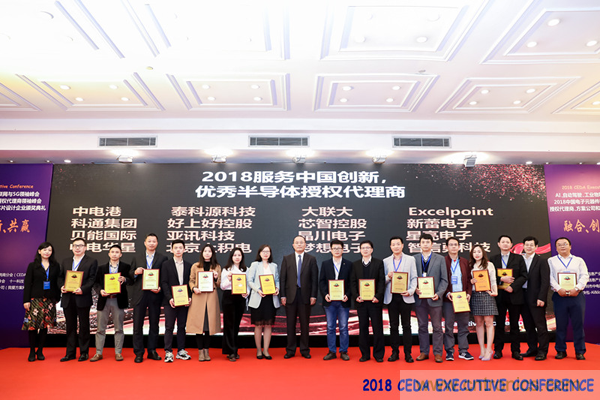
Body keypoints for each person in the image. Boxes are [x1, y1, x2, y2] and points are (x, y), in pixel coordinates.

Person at [129, 233, 168, 363]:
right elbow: (130, 275)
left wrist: (160, 288)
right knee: (137, 325)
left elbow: (164, 276)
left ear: (157, 243)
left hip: (155, 295)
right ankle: (139, 352)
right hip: (139, 295)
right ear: (145, 243)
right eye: (149, 241)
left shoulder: (162, 258)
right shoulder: (137, 257)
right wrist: (135, 272)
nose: (151, 243)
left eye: (154, 241)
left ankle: (152, 350)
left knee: (154, 324)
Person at [58, 238, 98, 362]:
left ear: (85, 248)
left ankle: (84, 352)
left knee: (84, 326)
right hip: (68, 298)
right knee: (70, 326)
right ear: (72, 247)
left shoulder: (92, 261)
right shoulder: (66, 261)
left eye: (80, 245)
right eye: (75, 245)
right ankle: (70, 353)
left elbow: (92, 279)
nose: (77, 248)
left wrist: (83, 289)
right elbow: (60, 277)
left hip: (82, 297)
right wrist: (62, 286)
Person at [549, 237, 589, 360]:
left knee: (578, 324)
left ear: (570, 246)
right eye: (559, 244)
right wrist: (558, 289)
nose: (562, 246)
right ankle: (561, 350)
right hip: (559, 296)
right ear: (556, 248)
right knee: (560, 324)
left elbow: (584, 275)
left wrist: (576, 288)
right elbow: (550, 277)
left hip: (576, 295)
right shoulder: (551, 261)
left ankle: (579, 351)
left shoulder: (578, 260)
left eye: (565, 244)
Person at [91, 245, 131, 362]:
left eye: (117, 252)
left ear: (121, 254)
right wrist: (100, 291)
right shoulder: (101, 268)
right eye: (112, 252)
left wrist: (125, 279)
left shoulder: (126, 267)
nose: (114, 254)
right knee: (100, 329)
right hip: (104, 300)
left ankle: (118, 352)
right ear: (109, 254)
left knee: (119, 328)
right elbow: (95, 283)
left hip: (118, 300)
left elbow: (132, 281)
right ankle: (98, 353)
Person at [280, 235, 318, 359]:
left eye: (302, 242)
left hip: (305, 296)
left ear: (305, 244)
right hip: (290, 296)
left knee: (304, 324)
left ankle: (305, 350)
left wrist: (313, 295)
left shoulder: (311, 259)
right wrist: (283, 295)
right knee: (290, 324)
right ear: (293, 245)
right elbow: (283, 278)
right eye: (297, 242)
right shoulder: (287, 259)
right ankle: (290, 350)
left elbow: (314, 279)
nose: (299, 244)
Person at [490, 235, 527, 360]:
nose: (505, 244)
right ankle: (498, 350)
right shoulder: (493, 259)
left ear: (511, 245)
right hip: (499, 296)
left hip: (514, 295)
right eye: (503, 242)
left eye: (508, 242)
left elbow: (524, 276)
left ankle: (516, 351)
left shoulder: (518, 258)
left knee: (514, 325)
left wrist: (513, 287)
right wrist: (501, 279)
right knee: (499, 324)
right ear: (498, 244)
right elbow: (489, 276)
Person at [22, 242, 61, 362]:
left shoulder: (55, 266)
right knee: (32, 327)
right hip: (35, 299)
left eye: (49, 250)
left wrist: (57, 297)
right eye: (44, 250)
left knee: (45, 326)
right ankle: (31, 351)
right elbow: (28, 283)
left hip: (49, 300)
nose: (47, 252)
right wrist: (26, 300)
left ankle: (40, 351)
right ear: (39, 251)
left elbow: (57, 282)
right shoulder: (32, 265)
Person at [414, 233, 448, 363]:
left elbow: (444, 280)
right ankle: (424, 352)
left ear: (432, 244)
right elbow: (411, 278)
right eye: (423, 242)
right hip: (420, 298)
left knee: (437, 327)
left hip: (435, 298)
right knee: (422, 326)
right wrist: (415, 289)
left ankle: (438, 353)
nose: (425, 244)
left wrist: (438, 293)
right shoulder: (414, 259)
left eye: (428, 242)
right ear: (419, 244)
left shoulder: (440, 259)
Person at [383, 236, 417, 363]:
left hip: (405, 296)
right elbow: (382, 280)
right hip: (391, 297)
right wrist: (388, 276)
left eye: (398, 244)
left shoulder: (410, 259)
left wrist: (411, 291)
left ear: (402, 245)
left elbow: (414, 277)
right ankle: (395, 352)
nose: (396, 246)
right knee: (393, 326)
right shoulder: (385, 261)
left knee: (406, 326)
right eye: (393, 244)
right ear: (390, 247)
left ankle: (408, 353)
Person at [350, 239, 385, 362]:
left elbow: (381, 281)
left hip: (375, 302)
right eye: (363, 248)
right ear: (360, 250)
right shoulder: (355, 265)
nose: (365, 250)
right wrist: (356, 296)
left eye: (368, 248)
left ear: (372, 250)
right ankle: (365, 354)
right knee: (363, 328)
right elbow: (352, 282)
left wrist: (378, 296)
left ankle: (378, 354)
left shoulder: (378, 263)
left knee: (377, 328)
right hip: (361, 302)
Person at [319, 239, 352, 361]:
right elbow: (321, 281)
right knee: (330, 327)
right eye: (334, 248)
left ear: (343, 250)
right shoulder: (325, 264)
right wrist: (325, 294)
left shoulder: (349, 264)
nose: (337, 250)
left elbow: (351, 282)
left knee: (343, 327)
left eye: (339, 248)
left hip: (343, 301)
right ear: (331, 250)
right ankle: (332, 351)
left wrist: (347, 294)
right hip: (330, 301)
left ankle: (343, 351)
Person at [187, 243, 222, 361]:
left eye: (209, 251)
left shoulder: (217, 267)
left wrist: (216, 278)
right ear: (202, 253)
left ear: (212, 254)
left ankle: (207, 351)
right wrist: (193, 288)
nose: (207, 253)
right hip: (198, 297)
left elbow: (219, 284)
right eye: (205, 251)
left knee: (208, 327)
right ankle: (200, 351)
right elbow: (191, 280)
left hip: (211, 298)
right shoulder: (195, 266)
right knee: (199, 326)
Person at [161, 240, 192, 363]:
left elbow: (190, 283)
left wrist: (189, 297)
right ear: (171, 250)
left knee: (182, 326)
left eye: (180, 248)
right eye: (176, 248)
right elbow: (164, 282)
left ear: (184, 250)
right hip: (170, 301)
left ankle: (181, 350)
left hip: (184, 301)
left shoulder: (189, 265)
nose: (178, 250)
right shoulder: (166, 264)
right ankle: (168, 351)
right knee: (169, 327)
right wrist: (170, 298)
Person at [442, 237, 474, 361]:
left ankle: (463, 351)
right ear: (446, 247)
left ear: (459, 247)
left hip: (462, 299)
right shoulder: (443, 261)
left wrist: (469, 293)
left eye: (456, 244)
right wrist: (446, 293)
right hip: (449, 299)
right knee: (449, 327)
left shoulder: (465, 262)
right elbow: (440, 280)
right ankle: (449, 351)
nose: (454, 247)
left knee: (463, 326)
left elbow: (469, 280)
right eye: (451, 245)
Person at [519, 236, 550, 361]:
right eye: (526, 245)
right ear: (523, 246)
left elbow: (545, 281)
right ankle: (532, 349)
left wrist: (541, 297)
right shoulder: (520, 260)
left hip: (536, 298)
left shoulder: (541, 261)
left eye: (531, 245)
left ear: (536, 247)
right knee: (528, 325)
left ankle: (542, 351)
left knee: (540, 326)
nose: (529, 247)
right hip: (522, 297)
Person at [248, 244, 280, 360]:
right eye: (264, 251)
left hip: (270, 299)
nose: (266, 253)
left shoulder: (274, 266)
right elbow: (250, 281)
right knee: (258, 325)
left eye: (268, 251)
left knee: (268, 325)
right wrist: (258, 290)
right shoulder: (255, 265)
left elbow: (277, 280)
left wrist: (277, 288)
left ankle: (266, 350)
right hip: (258, 297)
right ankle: (258, 350)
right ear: (259, 253)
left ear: (270, 254)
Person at [469, 245, 498, 361]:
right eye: (474, 252)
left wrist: (495, 291)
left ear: (483, 253)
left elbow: (493, 280)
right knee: (479, 323)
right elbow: (466, 282)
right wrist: (471, 281)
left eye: (479, 252)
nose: (477, 254)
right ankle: (482, 349)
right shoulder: (470, 266)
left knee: (489, 323)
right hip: (475, 295)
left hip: (487, 295)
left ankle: (489, 349)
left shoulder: (489, 265)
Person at [220, 247, 249, 361]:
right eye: (235, 255)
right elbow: (222, 286)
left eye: (239, 255)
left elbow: (248, 285)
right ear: (231, 257)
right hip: (229, 297)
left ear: (242, 257)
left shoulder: (246, 269)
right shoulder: (226, 269)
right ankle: (231, 351)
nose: (237, 257)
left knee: (236, 324)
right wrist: (229, 279)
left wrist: (246, 293)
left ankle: (234, 349)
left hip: (240, 298)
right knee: (229, 325)